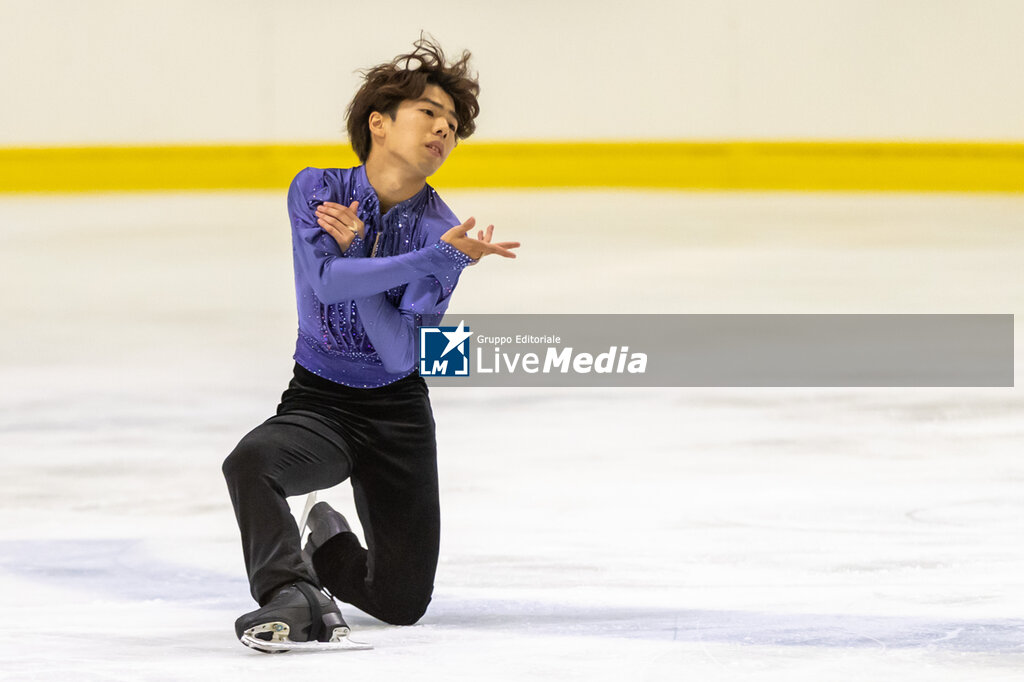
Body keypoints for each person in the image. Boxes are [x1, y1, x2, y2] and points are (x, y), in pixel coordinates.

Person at [221, 36, 519, 651]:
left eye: (454, 125)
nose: (444, 130)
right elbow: (325, 285)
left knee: (401, 604)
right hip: (320, 402)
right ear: (378, 123)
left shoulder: (445, 233)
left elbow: (398, 354)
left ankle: (327, 543)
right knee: (250, 462)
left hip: (397, 414)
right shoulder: (317, 189)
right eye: (429, 113)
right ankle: (287, 592)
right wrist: (407, 261)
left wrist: (385, 254)